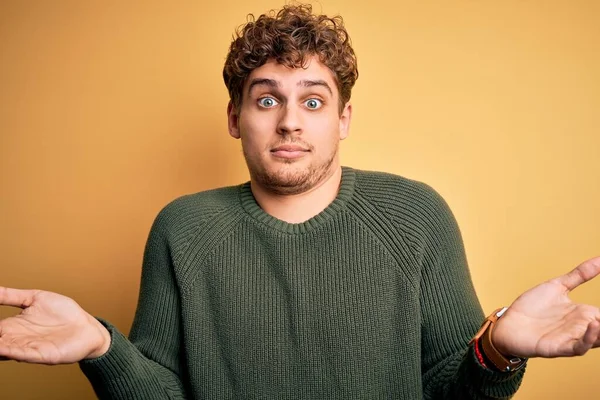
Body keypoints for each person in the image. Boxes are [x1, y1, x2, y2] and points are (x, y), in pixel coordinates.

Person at [0, 4, 599, 399]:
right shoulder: (184, 228)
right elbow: (163, 392)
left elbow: (451, 390)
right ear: (236, 118)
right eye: (267, 100)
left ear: (343, 119)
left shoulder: (415, 215)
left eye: (313, 101)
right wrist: (102, 347)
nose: (290, 122)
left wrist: (497, 348)